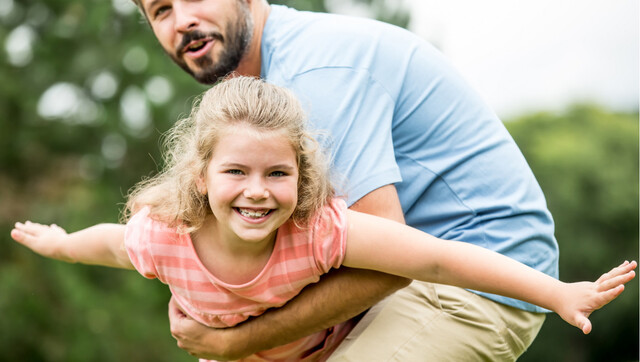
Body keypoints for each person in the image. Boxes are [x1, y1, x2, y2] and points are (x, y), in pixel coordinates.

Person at [11, 77, 637, 362]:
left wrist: (554, 291)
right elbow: (111, 244)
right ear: (200, 177)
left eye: (277, 175)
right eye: (236, 173)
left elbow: (438, 258)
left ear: (303, 179)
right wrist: (62, 244)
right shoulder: (166, 237)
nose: (257, 193)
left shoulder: (320, 232)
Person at [100, 0, 558, 360]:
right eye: (161, 9)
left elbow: (385, 264)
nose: (182, 20)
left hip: (477, 279)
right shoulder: (265, 98)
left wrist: (235, 342)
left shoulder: (313, 75)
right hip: (408, 277)